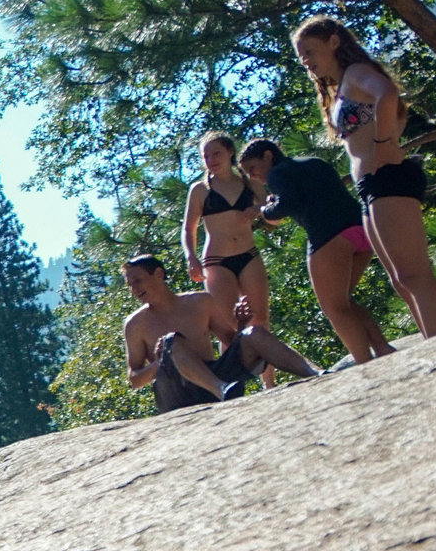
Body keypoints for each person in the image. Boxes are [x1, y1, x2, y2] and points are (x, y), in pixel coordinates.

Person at [290, 15, 436, 343]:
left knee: (414, 273)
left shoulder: (357, 73)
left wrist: (381, 144)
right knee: (399, 279)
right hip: (371, 187)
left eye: (309, 51)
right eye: (301, 57)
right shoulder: (340, 89)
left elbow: (388, 94)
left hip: (389, 177)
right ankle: (434, 342)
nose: (306, 61)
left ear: (334, 42)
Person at [240, 138, 391, 366]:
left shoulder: (278, 173)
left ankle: (365, 363)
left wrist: (263, 210)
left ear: (268, 156)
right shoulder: (312, 161)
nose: (252, 176)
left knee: (334, 308)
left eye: (252, 168)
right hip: (361, 231)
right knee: (343, 301)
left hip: (330, 237)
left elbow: (285, 206)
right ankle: (382, 347)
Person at [119, 253, 320, 413]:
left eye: (137, 281)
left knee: (253, 333)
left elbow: (234, 344)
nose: (133, 289)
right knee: (171, 342)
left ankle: (314, 373)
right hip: (178, 392)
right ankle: (221, 390)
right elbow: (135, 379)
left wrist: (241, 325)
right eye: (129, 285)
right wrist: (160, 361)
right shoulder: (135, 324)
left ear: (159, 274)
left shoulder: (200, 302)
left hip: (215, 375)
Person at [182, 130, 271, 333]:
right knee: (233, 326)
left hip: (249, 254)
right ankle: (237, 364)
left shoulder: (250, 183)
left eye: (216, 153)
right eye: (206, 156)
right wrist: (191, 258)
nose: (211, 160)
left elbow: (275, 216)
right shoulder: (200, 190)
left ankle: (268, 366)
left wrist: (258, 209)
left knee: (261, 320)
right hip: (216, 261)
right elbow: (188, 228)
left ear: (230, 152)